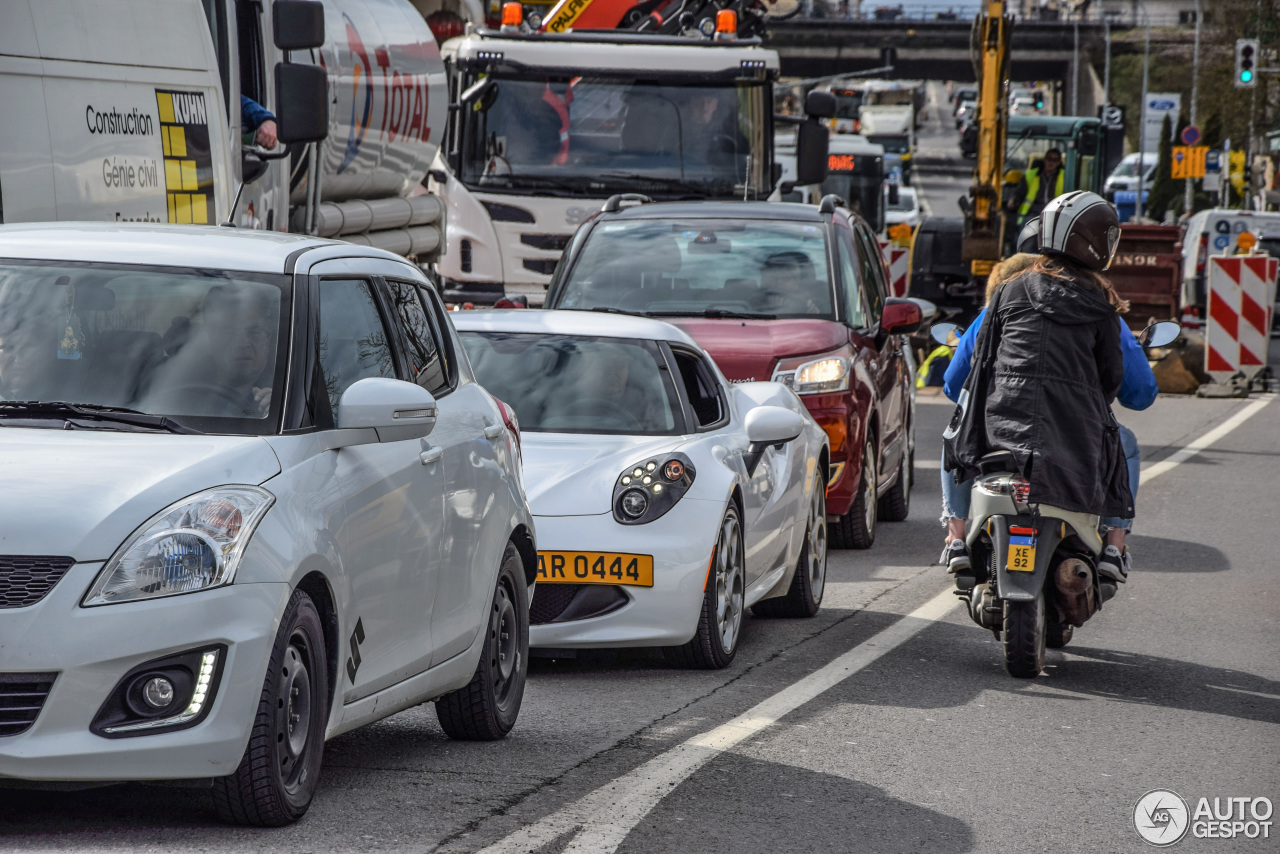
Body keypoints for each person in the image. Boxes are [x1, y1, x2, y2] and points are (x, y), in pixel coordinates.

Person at [941, 192, 1145, 585]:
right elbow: (1112, 380)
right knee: (1125, 443)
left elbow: (979, 365)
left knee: (955, 433)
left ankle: (955, 539)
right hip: (1074, 438)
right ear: (1095, 242)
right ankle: (1115, 547)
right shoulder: (1102, 304)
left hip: (1001, 431)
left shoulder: (1007, 292)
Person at [1008, 148, 1064, 229]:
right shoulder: (1030, 175)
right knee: (1024, 234)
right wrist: (1013, 200)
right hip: (1032, 214)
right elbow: (1019, 192)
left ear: (1059, 162)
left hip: (1054, 215)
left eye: (1055, 160)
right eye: (1049, 159)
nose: (1051, 162)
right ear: (1044, 159)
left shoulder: (1065, 177)